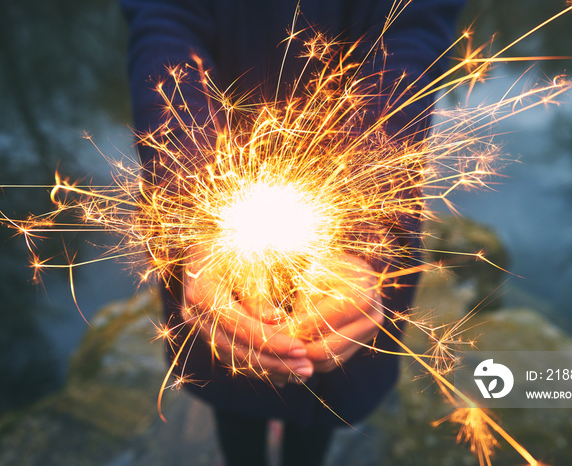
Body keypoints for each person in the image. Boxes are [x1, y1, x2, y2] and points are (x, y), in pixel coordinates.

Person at [120, 1, 465, 465]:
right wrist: (197, 206)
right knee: (234, 380)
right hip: (212, 203)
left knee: (323, 396)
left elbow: (409, 38)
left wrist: (359, 231)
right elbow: (165, 22)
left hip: (358, 205)